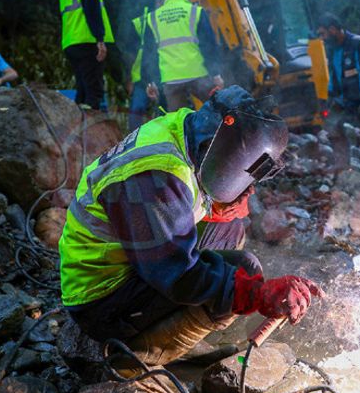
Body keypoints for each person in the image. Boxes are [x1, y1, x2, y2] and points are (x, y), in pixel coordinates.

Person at [58, 86, 322, 370]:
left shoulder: (188, 128)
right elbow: (177, 274)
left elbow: (184, 196)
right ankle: (135, 356)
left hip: (133, 257)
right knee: (243, 271)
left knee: (231, 229)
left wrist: (222, 205)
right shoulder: (155, 174)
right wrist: (257, 294)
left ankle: (176, 331)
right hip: (101, 296)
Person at [141, 0, 223, 111]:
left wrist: (151, 81)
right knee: (217, 110)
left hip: (171, 79)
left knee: (178, 121)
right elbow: (209, 45)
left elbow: (148, 54)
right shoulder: (195, 12)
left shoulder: (152, 18)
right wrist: (216, 75)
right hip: (198, 75)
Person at [316, 13, 360, 165]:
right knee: (331, 124)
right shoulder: (333, 48)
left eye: (323, 33)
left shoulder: (357, 43)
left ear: (333, 29)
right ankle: (342, 164)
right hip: (344, 99)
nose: (322, 38)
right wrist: (329, 97)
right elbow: (334, 74)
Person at [59, 0, 114, 109]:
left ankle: (78, 127)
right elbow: (92, 8)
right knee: (93, 91)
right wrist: (100, 39)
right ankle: (91, 130)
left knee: (83, 89)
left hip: (71, 41)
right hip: (87, 39)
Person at [126, 0, 170, 130]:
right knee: (137, 109)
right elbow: (130, 52)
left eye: (164, 1)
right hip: (143, 76)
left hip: (168, 75)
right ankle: (133, 143)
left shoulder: (172, 22)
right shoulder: (144, 21)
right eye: (159, 1)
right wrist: (129, 78)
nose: (161, 4)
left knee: (166, 111)